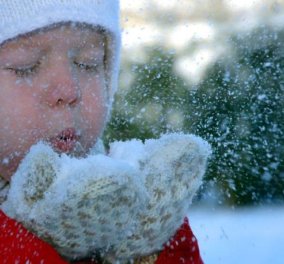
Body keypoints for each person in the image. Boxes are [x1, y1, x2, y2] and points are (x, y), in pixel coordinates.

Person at [0, 1, 204, 263]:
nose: (69, 90)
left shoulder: (129, 201)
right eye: (26, 67)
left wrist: (151, 246)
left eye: (88, 63)